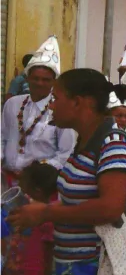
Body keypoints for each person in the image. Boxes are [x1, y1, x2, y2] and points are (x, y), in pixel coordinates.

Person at [8, 68, 126, 275]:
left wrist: (46, 212)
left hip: (92, 271)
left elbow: (110, 208)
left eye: (57, 97)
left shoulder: (113, 143)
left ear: (79, 102)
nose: (51, 104)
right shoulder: (84, 142)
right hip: (69, 267)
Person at [1, 36, 76, 189]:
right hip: (5, 182)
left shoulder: (61, 110)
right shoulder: (12, 104)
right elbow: (2, 136)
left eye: (46, 79)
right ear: (27, 79)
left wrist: (36, 172)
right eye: (35, 78)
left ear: (54, 82)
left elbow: (65, 153)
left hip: (39, 187)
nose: (39, 83)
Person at [2, 162, 60, 275]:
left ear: (37, 192)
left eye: (24, 188)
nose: (21, 192)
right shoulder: (26, 214)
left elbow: (50, 249)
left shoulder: (47, 218)